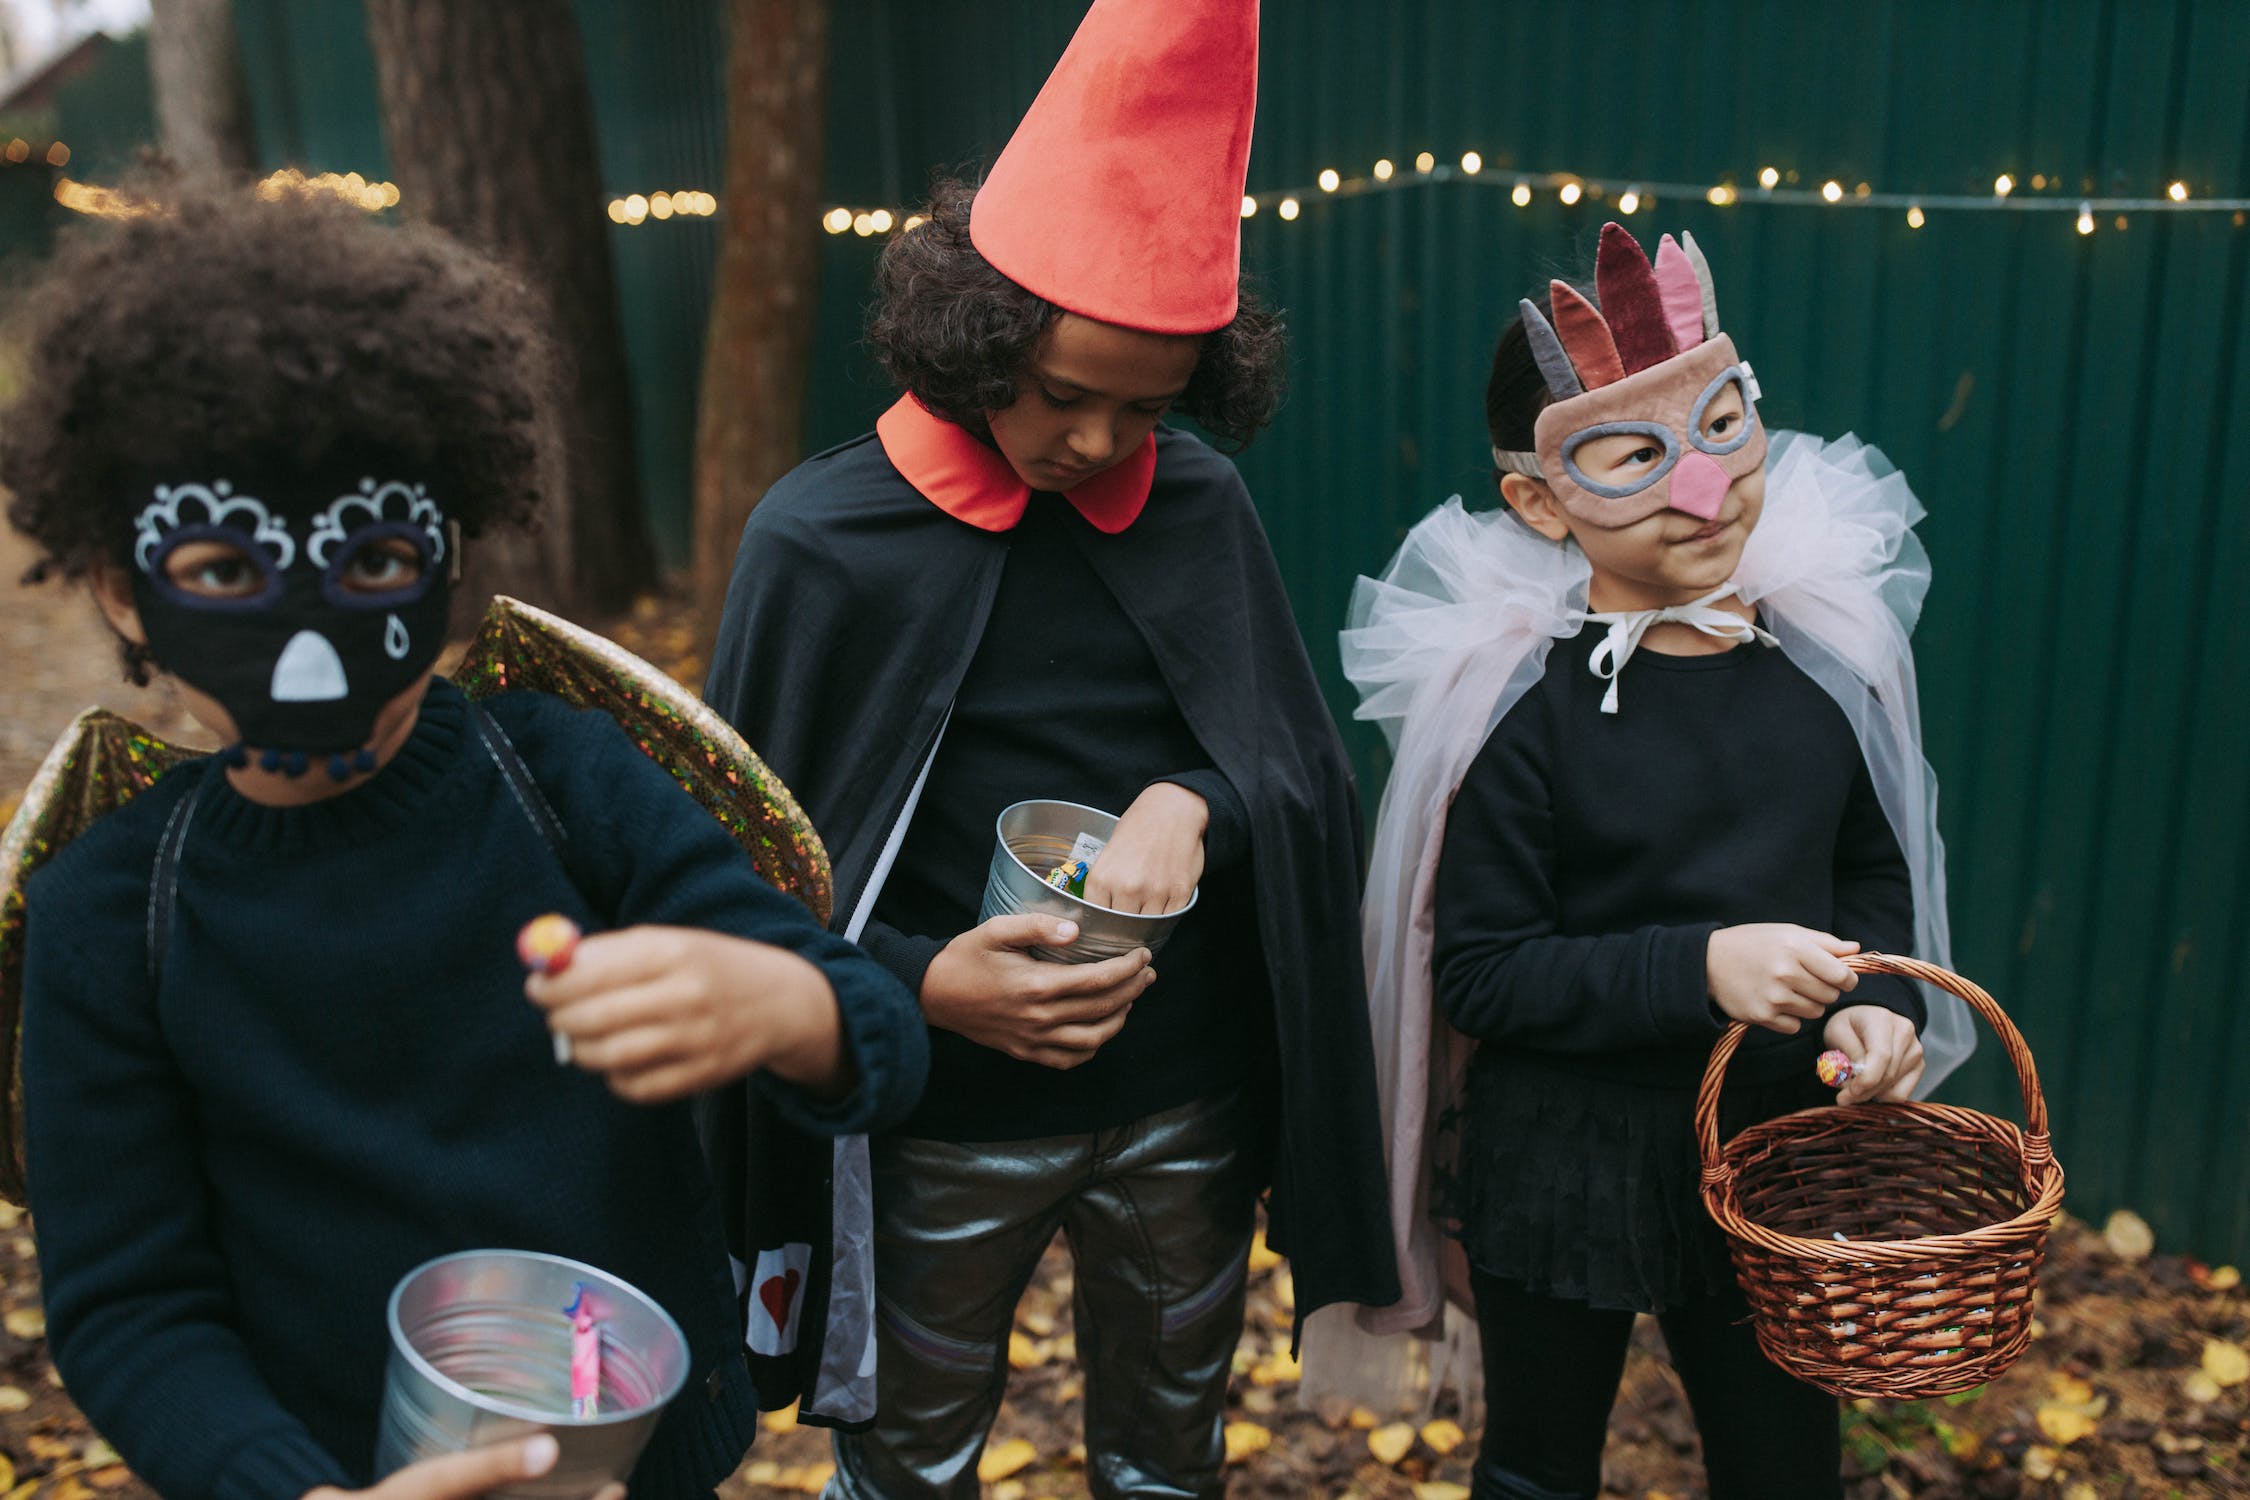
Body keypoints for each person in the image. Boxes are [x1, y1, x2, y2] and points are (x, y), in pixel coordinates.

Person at [0, 178, 927, 1500]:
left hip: (646, 1456)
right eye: (221, 573)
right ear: (117, 587)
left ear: (453, 564)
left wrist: (794, 1006)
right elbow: (127, 1306)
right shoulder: (109, 915)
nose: (309, 644)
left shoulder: (564, 780)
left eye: (374, 559)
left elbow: (868, 1041)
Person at [700, 1, 1397, 1493]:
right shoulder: (822, 542)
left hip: (1184, 1103)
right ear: (974, 338)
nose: (1090, 443)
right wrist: (909, 984)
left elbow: (1296, 775)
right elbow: (738, 862)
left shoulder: (1196, 507)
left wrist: (1194, 800)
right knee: (907, 1462)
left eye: (1144, 410)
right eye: (1062, 395)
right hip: (938, 1115)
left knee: (1172, 1455)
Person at [1325, 222, 1974, 1499]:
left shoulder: (1822, 667)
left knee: (1785, 1461)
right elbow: (1487, 977)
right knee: (1539, 1465)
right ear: (1538, 499)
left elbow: (1871, 884)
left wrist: (1880, 1008)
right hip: (1563, 1158)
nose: (1703, 490)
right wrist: (1705, 965)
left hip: (1776, 1139)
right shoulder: (1521, 711)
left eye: (1723, 430)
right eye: (1633, 458)